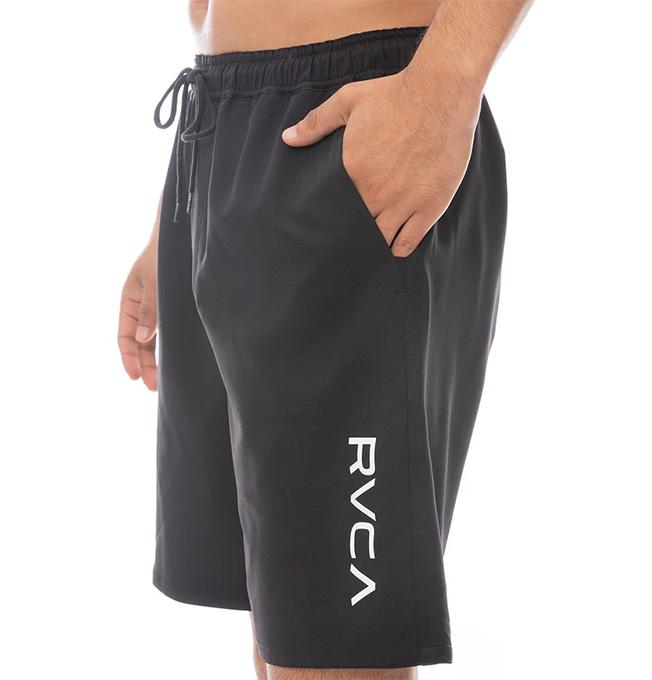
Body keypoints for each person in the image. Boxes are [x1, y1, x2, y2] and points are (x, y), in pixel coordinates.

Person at [118, 1, 532, 678]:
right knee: (285, 628)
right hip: (217, 128)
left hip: (351, 110)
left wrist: (443, 88)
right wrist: (177, 221)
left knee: (335, 642)